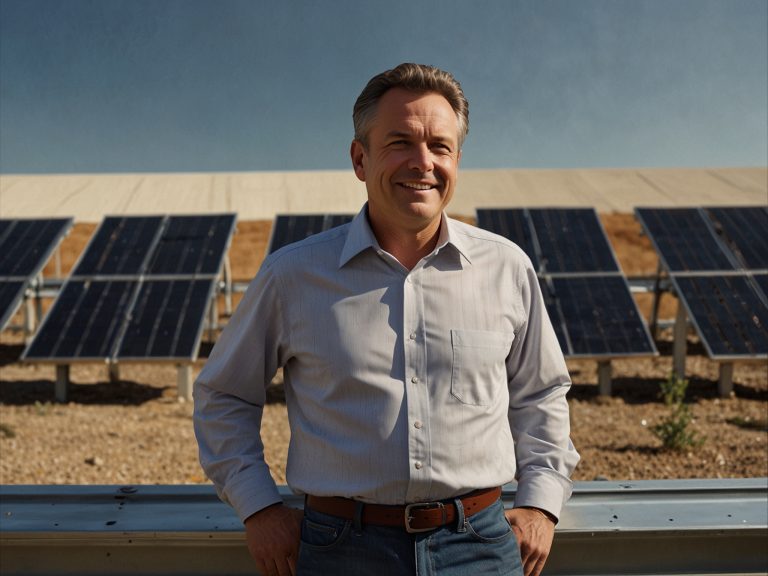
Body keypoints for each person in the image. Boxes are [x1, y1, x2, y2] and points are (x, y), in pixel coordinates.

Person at [193, 62, 579, 576]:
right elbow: (224, 396)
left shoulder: (505, 267)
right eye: (400, 142)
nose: (423, 162)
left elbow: (541, 394)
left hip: (480, 548)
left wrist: (540, 503)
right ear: (359, 157)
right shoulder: (293, 276)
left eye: (439, 146)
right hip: (341, 550)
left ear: (457, 160)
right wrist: (258, 507)